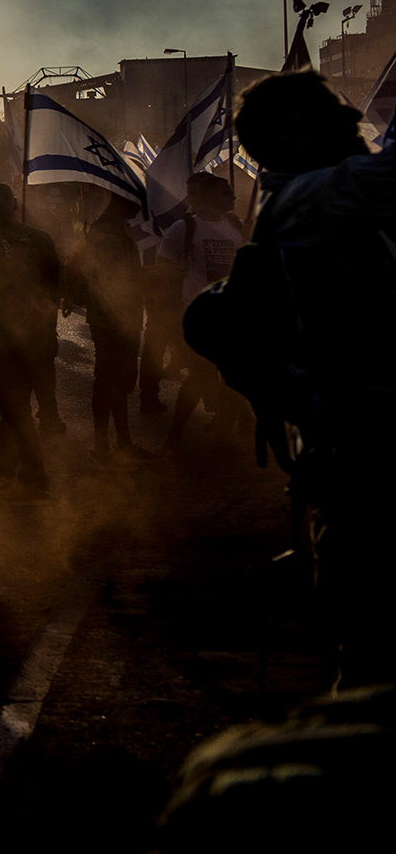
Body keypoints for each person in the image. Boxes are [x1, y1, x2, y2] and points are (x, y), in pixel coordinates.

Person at [185, 71, 396, 684]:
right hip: (371, 473)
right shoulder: (317, 197)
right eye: (337, 109)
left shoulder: (323, 200)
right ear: (299, 133)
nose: (356, 115)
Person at [0, 184, 57, 494]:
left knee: (15, 409)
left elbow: (56, 286)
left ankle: (19, 470)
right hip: (11, 340)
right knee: (15, 408)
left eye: (0, 205)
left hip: (27, 339)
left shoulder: (33, 241)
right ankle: (27, 472)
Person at [164, 172, 248, 450]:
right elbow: (164, 269)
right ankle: (175, 434)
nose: (233, 198)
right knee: (199, 378)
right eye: (226, 193)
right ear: (210, 196)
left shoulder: (237, 225)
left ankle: (223, 433)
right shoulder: (184, 228)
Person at [71, 190, 145, 457]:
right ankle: (102, 446)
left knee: (116, 381)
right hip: (112, 317)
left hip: (121, 316)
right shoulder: (106, 234)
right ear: (122, 201)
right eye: (136, 202)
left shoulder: (115, 229)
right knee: (108, 381)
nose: (140, 208)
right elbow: (110, 279)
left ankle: (121, 442)